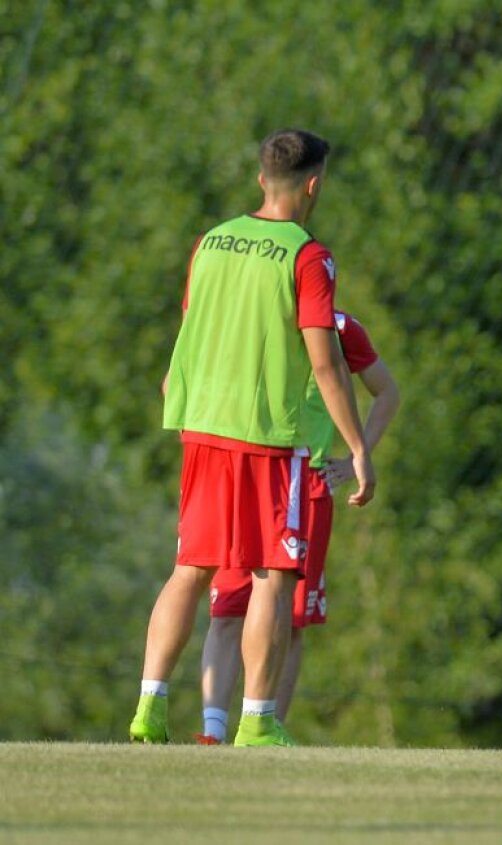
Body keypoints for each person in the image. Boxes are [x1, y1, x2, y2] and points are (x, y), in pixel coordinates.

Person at [129, 129, 376, 747]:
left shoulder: (210, 243)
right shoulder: (307, 256)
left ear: (261, 178)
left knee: (190, 567)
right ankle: (258, 720)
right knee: (273, 572)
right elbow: (325, 362)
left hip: (202, 426)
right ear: (314, 184)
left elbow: (190, 331)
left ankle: (149, 707)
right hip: (269, 434)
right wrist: (359, 447)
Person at [195, 310, 399, 744]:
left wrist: (356, 456)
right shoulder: (251, 324)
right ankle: (212, 730)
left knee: (291, 615)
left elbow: (387, 392)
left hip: (306, 483)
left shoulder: (341, 328)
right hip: (247, 475)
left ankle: (267, 726)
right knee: (228, 605)